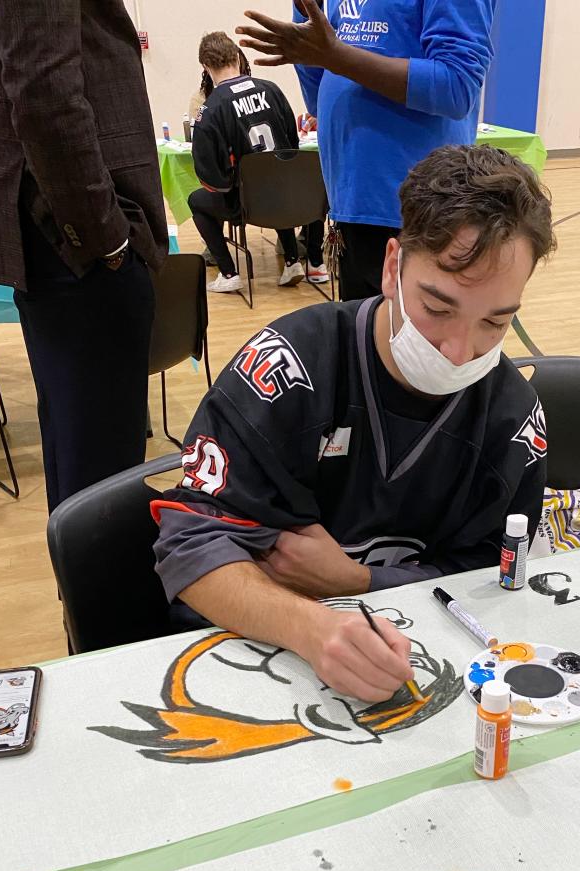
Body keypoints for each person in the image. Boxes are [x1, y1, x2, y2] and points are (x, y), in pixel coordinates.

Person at [153, 144, 555, 702]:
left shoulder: (511, 416)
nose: (460, 351)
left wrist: (357, 581)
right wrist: (309, 627)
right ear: (392, 266)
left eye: (496, 320)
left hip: (422, 668)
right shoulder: (290, 368)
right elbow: (189, 545)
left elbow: (493, 572)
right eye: (437, 308)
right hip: (252, 662)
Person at [0, 0, 167, 512]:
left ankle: (90, 591)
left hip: (53, 226)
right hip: (73, 230)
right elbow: (43, 89)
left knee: (80, 463)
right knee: (102, 483)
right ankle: (105, 592)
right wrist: (104, 238)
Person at [237, 0, 496, 302]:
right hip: (353, 204)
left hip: (422, 212)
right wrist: (309, 31)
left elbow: (457, 86)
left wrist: (337, 57)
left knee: (419, 345)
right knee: (365, 342)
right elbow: (319, 99)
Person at [187, 31, 327, 295]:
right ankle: (292, 262)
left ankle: (229, 273)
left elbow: (209, 177)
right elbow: (291, 147)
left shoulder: (211, 108)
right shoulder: (272, 90)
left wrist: (230, 183)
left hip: (247, 206)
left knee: (197, 201)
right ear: (238, 58)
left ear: (206, 66)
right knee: (274, 179)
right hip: (286, 197)